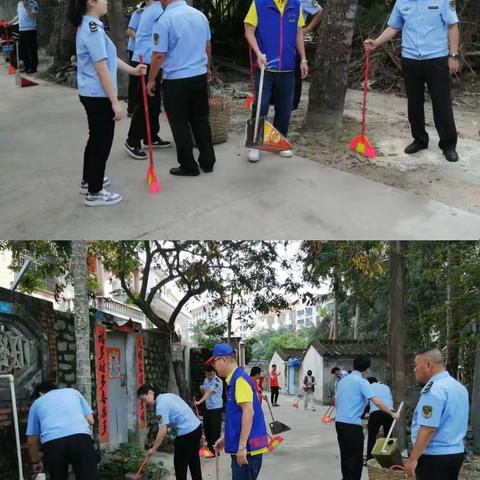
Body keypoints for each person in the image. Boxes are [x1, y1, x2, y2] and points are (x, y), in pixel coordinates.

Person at [68, 0, 147, 207]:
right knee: (101, 142)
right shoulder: (92, 28)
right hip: (98, 95)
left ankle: (89, 180)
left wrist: (132, 70)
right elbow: (101, 68)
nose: (106, 2)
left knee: (95, 139)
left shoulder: (91, 25)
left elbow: (108, 57)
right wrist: (115, 102)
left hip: (91, 93)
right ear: (91, 2)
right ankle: (95, 192)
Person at [364, 0, 460, 162]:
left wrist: (454, 55)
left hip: (436, 58)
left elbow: (452, 26)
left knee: (441, 103)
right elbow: (394, 26)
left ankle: (448, 145)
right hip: (410, 59)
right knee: (414, 103)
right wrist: (376, 42)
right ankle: (420, 139)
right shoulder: (402, 2)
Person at [147, 0, 216, 177]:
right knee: (200, 119)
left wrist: (151, 79)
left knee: (179, 123)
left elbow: (158, 55)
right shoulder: (200, 16)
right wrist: (207, 67)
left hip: (176, 80)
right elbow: (207, 45)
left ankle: (188, 165)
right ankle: (208, 161)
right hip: (199, 76)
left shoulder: (164, 20)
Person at [244, 0, 309, 163]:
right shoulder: (259, 3)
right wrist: (258, 53)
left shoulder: (295, 5)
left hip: (287, 67)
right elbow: (249, 31)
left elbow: (298, 33)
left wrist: (303, 59)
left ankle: (278, 143)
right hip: (265, 67)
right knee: (261, 105)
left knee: (285, 107)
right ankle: (255, 144)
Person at [206, 344, 268, 480]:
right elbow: (237, 416)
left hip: (248, 449)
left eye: (214, 362)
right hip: (247, 447)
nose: (213, 367)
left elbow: (248, 412)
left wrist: (242, 447)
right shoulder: (235, 380)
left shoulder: (239, 380)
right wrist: (225, 438)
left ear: (223, 360)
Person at [405, 348, 468, 480]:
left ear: (428, 365)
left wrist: (413, 459)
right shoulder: (459, 388)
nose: (414, 369)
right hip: (456, 453)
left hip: (434, 456)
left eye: (416, 365)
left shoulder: (434, 390)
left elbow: (428, 428)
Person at [335, 355, 399, 480]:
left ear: (354, 365)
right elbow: (377, 402)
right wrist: (392, 413)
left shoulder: (342, 381)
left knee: (345, 455)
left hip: (339, 423)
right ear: (366, 369)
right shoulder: (361, 382)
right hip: (352, 424)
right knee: (356, 459)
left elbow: (337, 401)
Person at [124, 0, 171, 160]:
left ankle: (151, 136)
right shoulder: (158, 10)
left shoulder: (157, 8)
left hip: (151, 59)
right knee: (145, 102)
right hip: (146, 60)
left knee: (155, 102)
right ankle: (132, 140)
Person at [26, 381, 98, 480]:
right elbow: (91, 420)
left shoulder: (36, 403)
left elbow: (31, 441)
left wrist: (36, 462)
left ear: (40, 393)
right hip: (81, 439)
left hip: (53, 443)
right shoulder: (73, 392)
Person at [137, 384, 203, 480]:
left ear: (150, 393)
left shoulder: (160, 406)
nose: (144, 403)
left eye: (144, 399)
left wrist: (153, 448)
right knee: (194, 462)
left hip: (186, 433)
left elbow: (162, 431)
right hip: (196, 428)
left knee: (180, 467)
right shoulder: (167, 396)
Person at [194, 365, 224, 456]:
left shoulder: (217, 381)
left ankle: (215, 452)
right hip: (208, 408)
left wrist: (199, 402)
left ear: (215, 373)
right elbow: (204, 393)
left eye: (211, 374)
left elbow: (209, 392)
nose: (209, 376)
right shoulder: (206, 380)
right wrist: (202, 390)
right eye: (207, 374)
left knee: (215, 431)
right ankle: (210, 450)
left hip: (216, 408)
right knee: (207, 429)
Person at [366, 377, 394, 460]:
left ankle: (370, 459)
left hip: (376, 412)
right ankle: (389, 459)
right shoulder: (386, 387)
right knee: (389, 437)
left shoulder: (369, 386)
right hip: (390, 412)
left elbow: (366, 402)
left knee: (372, 436)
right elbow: (390, 400)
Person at [7, 0, 39, 74]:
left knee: (32, 49)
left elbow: (33, 15)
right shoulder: (19, 3)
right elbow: (19, 15)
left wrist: (26, 7)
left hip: (30, 29)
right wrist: (10, 22)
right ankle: (27, 67)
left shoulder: (33, 3)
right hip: (21, 29)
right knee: (23, 49)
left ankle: (33, 68)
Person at [126, 2, 146, 117]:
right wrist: (141, 42)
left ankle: (144, 106)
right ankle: (131, 108)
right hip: (135, 50)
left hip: (150, 52)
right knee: (134, 79)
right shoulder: (139, 13)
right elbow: (130, 30)